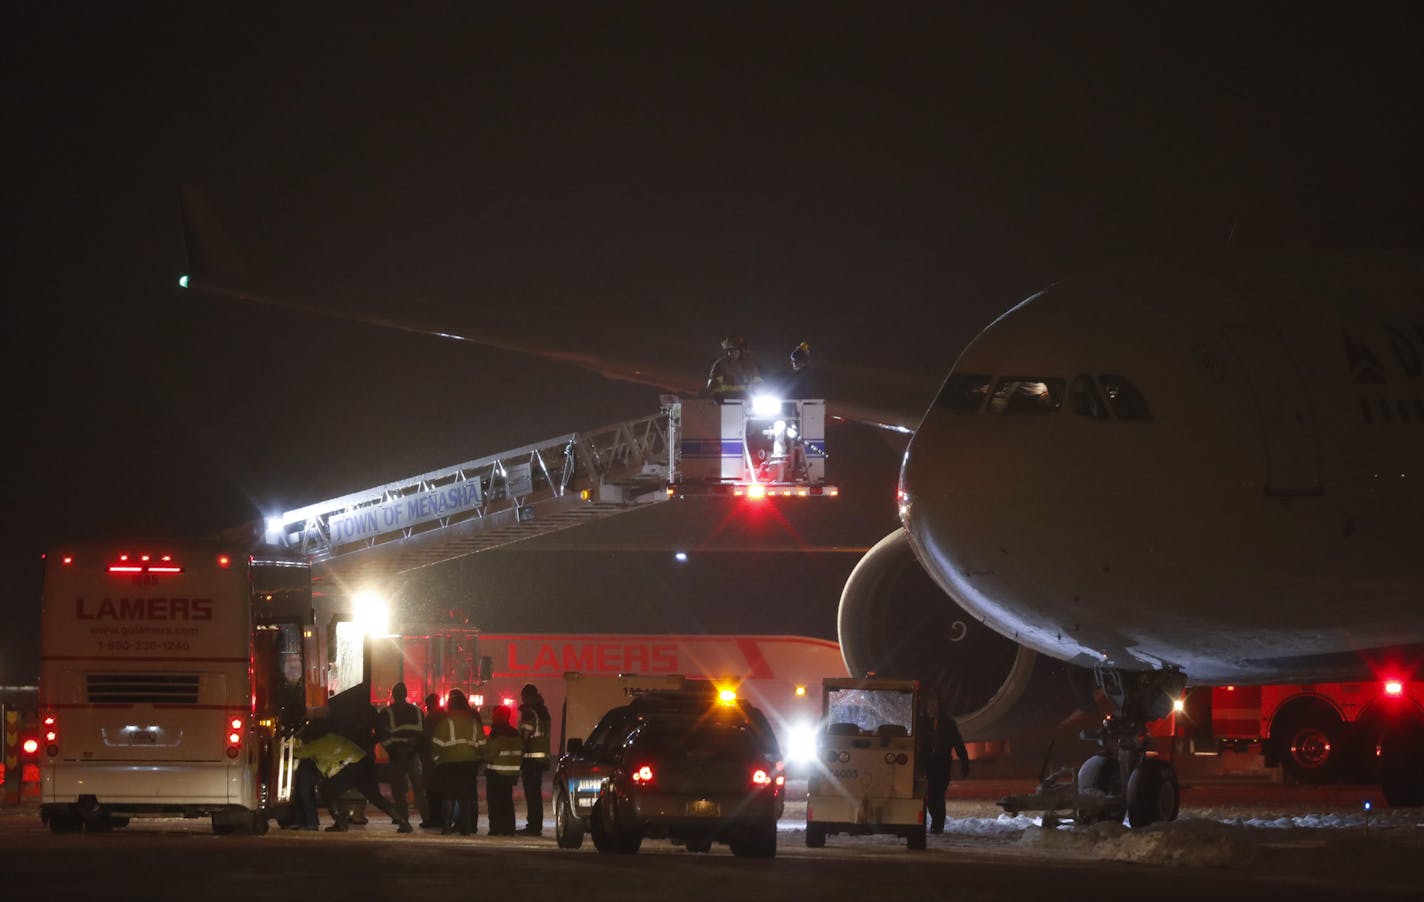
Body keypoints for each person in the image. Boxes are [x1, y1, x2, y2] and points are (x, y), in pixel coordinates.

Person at [292, 719, 411, 833]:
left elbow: (298, 753)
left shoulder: (318, 744)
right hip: (365, 763)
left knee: (327, 792)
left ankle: (341, 823)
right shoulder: (332, 737)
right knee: (376, 797)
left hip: (352, 768)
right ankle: (403, 822)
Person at [431, 689, 484, 835]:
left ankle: (447, 827)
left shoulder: (445, 722)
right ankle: (467, 828)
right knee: (467, 797)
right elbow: (482, 743)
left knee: (449, 796)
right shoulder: (473, 721)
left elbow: (436, 744)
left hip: (448, 764)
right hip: (468, 764)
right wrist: (479, 759)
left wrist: (437, 762)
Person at [376, 681, 427, 830]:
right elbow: (422, 734)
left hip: (397, 755)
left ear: (393, 695)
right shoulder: (418, 712)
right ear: (406, 694)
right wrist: (415, 750)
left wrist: (392, 751)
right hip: (413, 755)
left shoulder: (387, 712)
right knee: (418, 787)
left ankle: (403, 820)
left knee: (398, 790)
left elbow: (382, 736)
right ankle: (426, 816)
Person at [920, 694, 970, 835]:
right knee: (929, 797)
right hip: (926, 764)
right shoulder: (921, 723)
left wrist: (964, 761)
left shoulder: (948, 724)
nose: (932, 708)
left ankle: (938, 825)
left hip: (942, 764)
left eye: (935, 705)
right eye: (929, 705)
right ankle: (934, 823)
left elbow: (958, 743)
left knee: (938, 796)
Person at [516, 683, 552, 836]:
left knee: (532, 795)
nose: (523, 700)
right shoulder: (543, 712)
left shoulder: (530, 713)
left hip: (531, 759)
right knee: (536, 794)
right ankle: (536, 825)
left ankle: (533, 826)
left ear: (529, 697)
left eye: (524, 697)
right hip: (541, 758)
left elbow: (525, 735)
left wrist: (518, 752)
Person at [482, 704, 524, 836]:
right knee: (507, 802)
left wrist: (483, 755)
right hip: (510, 774)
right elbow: (521, 751)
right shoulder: (515, 734)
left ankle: (495, 829)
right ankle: (509, 829)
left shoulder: (496, 733)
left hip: (496, 773)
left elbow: (490, 753)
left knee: (495, 803)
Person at [705, 334, 763, 400]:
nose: (733, 352)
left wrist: (758, 394)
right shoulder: (721, 365)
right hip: (725, 400)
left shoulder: (750, 366)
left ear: (741, 351)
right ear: (727, 351)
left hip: (747, 400)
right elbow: (714, 384)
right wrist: (716, 395)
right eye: (730, 350)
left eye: (736, 350)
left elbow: (758, 383)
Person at [420, 692, 444, 828]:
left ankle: (435, 819)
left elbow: (425, 738)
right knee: (440, 791)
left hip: (431, 759)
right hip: (442, 759)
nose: (427, 707)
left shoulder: (431, 719)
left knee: (432, 792)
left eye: (428, 705)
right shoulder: (445, 717)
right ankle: (441, 819)